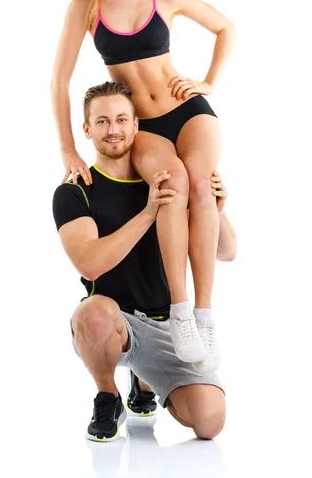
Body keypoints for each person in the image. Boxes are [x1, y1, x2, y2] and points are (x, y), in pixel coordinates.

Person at [51, 0, 236, 367]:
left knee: (199, 185)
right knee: (170, 184)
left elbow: (226, 28)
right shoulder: (87, 4)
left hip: (187, 110)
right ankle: (178, 312)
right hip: (144, 125)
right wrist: (67, 148)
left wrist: (208, 82)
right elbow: (59, 80)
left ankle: (205, 316)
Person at [52, 82, 237, 442]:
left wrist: (216, 212)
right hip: (114, 322)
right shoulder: (74, 192)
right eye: (102, 122)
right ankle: (108, 395)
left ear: (137, 125)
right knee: (94, 312)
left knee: (209, 422)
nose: (114, 129)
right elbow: (90, 264)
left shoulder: (169, 182)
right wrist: (148, 214)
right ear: (87, 130)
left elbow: (227, 252)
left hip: (169, 325)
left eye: (122, 119)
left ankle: (144, 380)